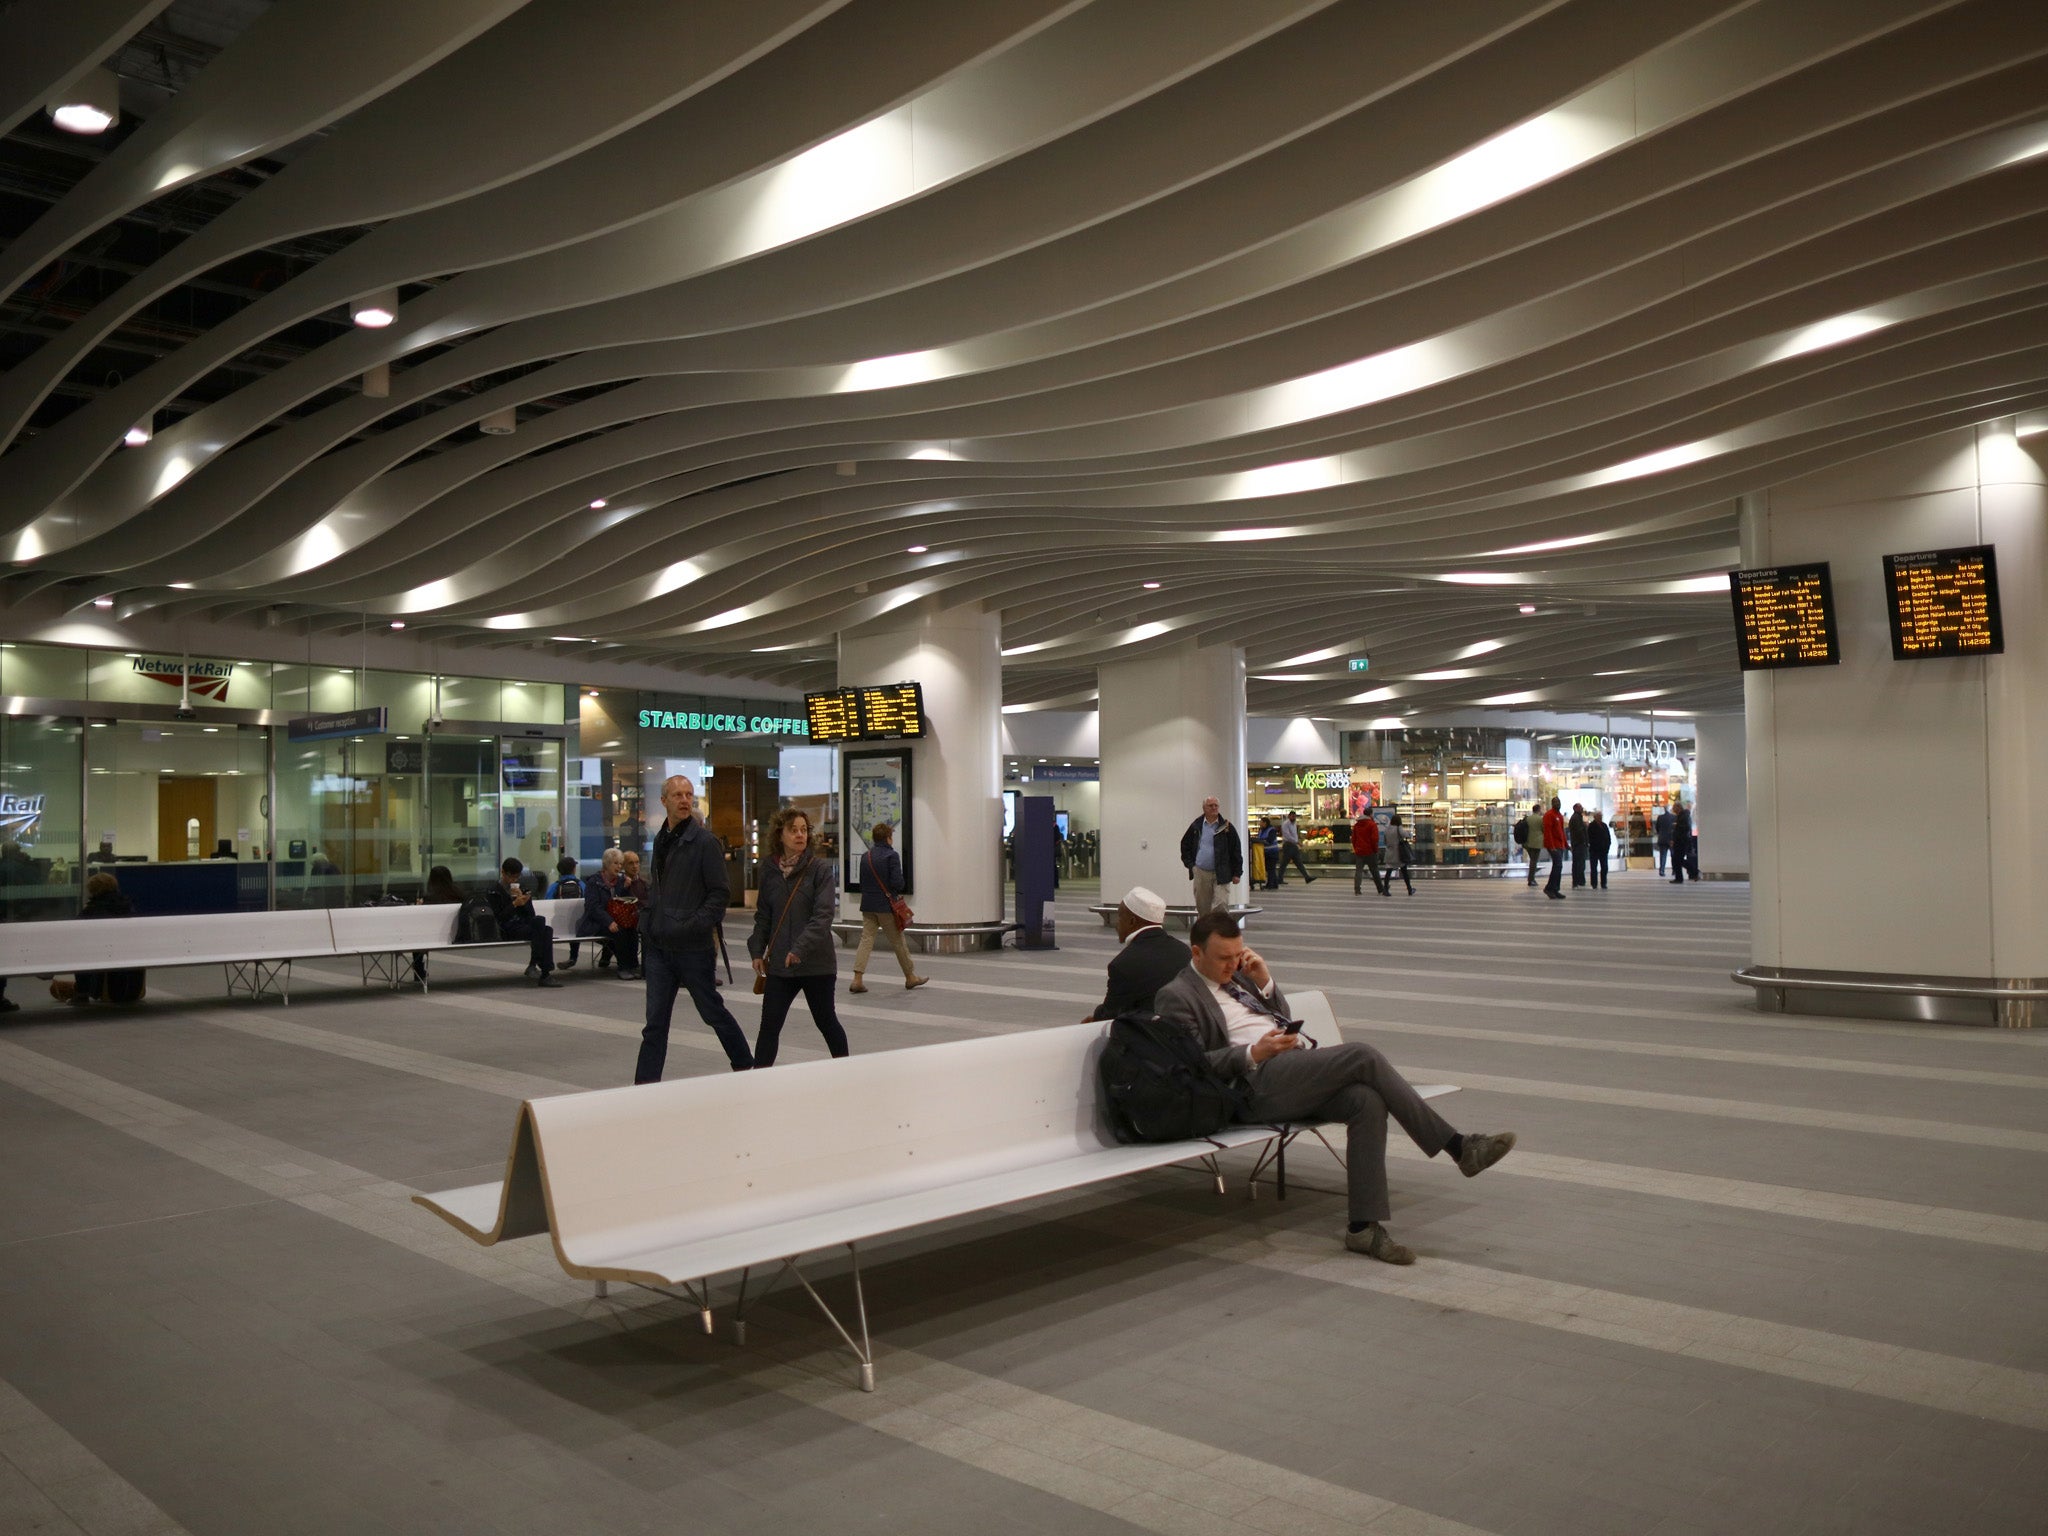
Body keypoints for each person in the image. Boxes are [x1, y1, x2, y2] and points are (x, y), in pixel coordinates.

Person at [1153, 912, 1516, 1264]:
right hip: (1249, 1086)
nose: (1231, 965)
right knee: (1361, 1055)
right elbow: (1194, 1064)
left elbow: (1276, 1016)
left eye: (1237, 956)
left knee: (1366, 1101)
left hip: (1289, 1070)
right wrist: (1252, 1052)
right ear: (1195, 952)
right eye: (1222, 959)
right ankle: (1458, 1147)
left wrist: (1265, 981)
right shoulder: (1178, 995)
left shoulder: (1238, 977)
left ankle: (1362, 1228)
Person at [637, 775, 752, 1080]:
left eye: (689, 795)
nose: (685, 800)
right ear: (664, 801)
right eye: (677, 795)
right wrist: (647, 922)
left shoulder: (704, 842)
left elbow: (719, 894)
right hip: (660, 947)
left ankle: (745, 1066)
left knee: (712, 1012)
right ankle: (643, 1088)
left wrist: (693, 925)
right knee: (655, 1024)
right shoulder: (661, 839)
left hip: (692, 948)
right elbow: (658, 889)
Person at [748, 807, 848, 1066]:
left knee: (826, 1021)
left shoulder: (819, 870)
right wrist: (757, 951)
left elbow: (823, 916)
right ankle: (757, 1078)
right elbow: (763, 917)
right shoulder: (769, 871)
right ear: (780, 834)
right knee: (769, 1025)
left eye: (804, 830)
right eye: (793, 830)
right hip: (781, 964)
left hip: (816, 964)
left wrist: (799, 949)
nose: (800, 835)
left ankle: (847, 1069)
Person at [1084, 887, 1187, 1021]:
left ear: (1132, 921)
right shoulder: (1184, 951)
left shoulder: (1123, 965)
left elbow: (1110, 1014)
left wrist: (1094, 1018)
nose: (1117, 924)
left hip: (1149, 1036)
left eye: (1120, 917)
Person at [851, 822, 926, 993]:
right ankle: (910, 977)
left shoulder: (866, 856)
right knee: (898, 942)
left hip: (868, 905)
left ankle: (857, 979)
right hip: (885, 907)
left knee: (866, 940)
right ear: (888, 838)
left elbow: (862, 882)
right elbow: (897, 883)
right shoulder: (892, 856)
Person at [52, 872, 146, 1006]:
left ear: (93, 890)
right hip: (128, 951)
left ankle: (82, 993)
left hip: (103, 953)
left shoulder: (93, 909)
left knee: (81, 953)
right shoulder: (127, 905)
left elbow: (75, 930)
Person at [486, 858, 560, 987]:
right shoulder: (493, 891)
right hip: (506, 928)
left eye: (517, 877)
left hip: (523, 925)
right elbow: (498, 918)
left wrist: (524, 902)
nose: (514, 880)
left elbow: (531, 915)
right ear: (503, 873)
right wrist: (514, 904)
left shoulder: (522, 889)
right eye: (511, 877)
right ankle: (543, 972)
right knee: (545, 931)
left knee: (542, 924)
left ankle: (535, 966)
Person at [1178, 796, 1243, 915]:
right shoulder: (1196, 826)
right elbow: (1185, 845)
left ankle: (1219, 931)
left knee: (1221, 904)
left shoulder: (1226, 827)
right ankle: (1205, 932)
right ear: (1204, 808)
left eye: (1216, 805)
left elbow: (1236, 850)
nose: (1214, 808)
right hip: (1201, 872)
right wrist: (1191, 865)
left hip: (1222, 872)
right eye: (1210, 805)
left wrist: (1237, 873)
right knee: (1203, 908)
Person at [411, 863, 464, 984]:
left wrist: (420, 906)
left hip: (433, 937)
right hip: (458, 934)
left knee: (416, 939)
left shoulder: (430, 898)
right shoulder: (459, 894)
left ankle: (419, 971)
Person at [545, 856, 585, 966]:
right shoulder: (581, 885)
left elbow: (547, 902)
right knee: (575, 923)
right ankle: (573, 957)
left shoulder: (555, 886)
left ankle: (548, 961)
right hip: (577, 925)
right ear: (573, 869)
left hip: (558, 924)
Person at [1274, 812, 1315, 885]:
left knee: (1298, 862)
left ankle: (1307, 877)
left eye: (1294, 817)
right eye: (1292, 816)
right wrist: (1297, 842)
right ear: (1289, 816)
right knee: (1284, 863)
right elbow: (1287, 836)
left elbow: (1294, 834)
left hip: (1293, 845)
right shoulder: (1286, 824)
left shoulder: (1294, 824)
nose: (1294, 818)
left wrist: (1296, 842)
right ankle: (1279, 879)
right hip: (1288, 845)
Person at [1350, 808, 1384, 896]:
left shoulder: (1357, 825)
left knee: (1359, 871)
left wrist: (1356, 848)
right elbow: (1374, 839)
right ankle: (1380, 888)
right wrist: (1375, 850)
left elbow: (1353, 839)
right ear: (1371, 814)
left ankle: (1357, 889)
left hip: (1359, 851)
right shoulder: (1372, 825)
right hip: (1370, 851)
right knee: (1374, 870)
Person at [1384, 811, 1415, 896]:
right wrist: (1409, 834)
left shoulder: (1387, 829)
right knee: (1404, 872)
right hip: (1399, 853)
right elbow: (1405, 835)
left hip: (1390, 853)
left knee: (1388, 872)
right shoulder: (1398, 828)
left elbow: (1385, 841)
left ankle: (1385, 889)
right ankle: (1409, 889)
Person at [1542, 796, 1567, 899]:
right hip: (1553, 845)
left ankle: (1555, 889)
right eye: (1556, 802)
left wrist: (1566, 844)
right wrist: (1551, 846)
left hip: (1559, 845)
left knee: (1558, 866)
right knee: (1558, 865)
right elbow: (1548, 832)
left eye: (1559, 802)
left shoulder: (1559, 816)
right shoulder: (1549, 815)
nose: (1558, 804)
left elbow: (1562, 831)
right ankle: (1549, 888)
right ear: (1552, 804)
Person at [1670, 801, 1696, 884]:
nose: (1673, 810)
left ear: (1679, 807)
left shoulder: (1684, 815)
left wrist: (1677, 825)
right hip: (1679, 841)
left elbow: (1686, 827)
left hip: (1682, 841)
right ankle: (1679, 877)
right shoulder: (1680, 816)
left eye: (1674, 808)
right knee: (1677, 860)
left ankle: (1695, 872)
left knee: (1678, 859)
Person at [1518, 806, 1544, 887]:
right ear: (1539, 810)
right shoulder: (1540, 819)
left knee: (1532, 860)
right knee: (1534, 861)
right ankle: (1531, 879)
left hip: (1527, 842)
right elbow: (1543, 829)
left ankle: (1531, 878)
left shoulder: (1528, 818)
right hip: (1536, 843)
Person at [1587, 811, 1611, 890]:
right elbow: (1589, 838)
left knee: (1604, 867)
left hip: (1603, 851)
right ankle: (1594, 884)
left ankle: (1603, 883)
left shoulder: (1604, 825)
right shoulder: (1591, 826)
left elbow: (1608, 837)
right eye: (1599, 816)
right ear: (1595, 817)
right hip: (1594, 850)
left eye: (1601, 816)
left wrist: (1607, 846)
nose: (1600, 817)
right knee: (1594, 868)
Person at [1567, 804, 1588, 888]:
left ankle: (1579, 880)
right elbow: (1579, 831)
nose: (1582, 808)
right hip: (1578, 844)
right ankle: (1578, 880)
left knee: (1578, 863)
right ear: (1576, 808)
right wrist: (1584, 841)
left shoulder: (1578, 817)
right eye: (1580, 807)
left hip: (1578, 843)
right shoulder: (1576, 818)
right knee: (1579, 863)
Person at [1653, 803, 1674, 876]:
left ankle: (1662, 870)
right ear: (1670, 809)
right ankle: (1674, 870)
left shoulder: (1660, 817)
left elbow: (1657, 828)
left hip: (1662, 839)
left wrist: (1661, 834)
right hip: (1671, 839)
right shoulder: (1673, 817)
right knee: (1673, 855)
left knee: (1663, 856)